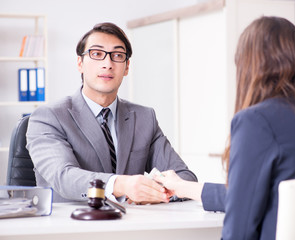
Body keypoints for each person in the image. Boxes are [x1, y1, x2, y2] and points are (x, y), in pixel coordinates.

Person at [155, 16, 295, 240]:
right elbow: (259, 194)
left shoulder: (256, 121)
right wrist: (183, 187)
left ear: (249, 65)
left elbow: (239, 231)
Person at [26, 22, 197, 203]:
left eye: (117, 55)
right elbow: (64, 177)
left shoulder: (144, 118)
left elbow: (185, 178)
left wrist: (155, 193)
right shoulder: (49, 117)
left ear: (127, 67)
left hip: (134, 225)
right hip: (72, 224)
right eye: (97, 54)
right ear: (80, 63)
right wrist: (121, 185)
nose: (108, 64)